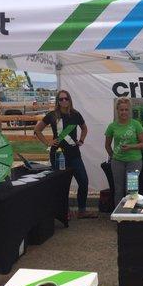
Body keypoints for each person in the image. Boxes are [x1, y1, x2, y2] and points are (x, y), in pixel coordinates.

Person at [34, 90, 94, 218]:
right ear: (57, 101)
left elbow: (84, 128)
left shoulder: (76, 114)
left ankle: (81, 211)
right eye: (60, 99)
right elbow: (37, 130)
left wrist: (81, 140)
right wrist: (48, 143)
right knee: (61, 185)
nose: (63, 101)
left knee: (83, 181)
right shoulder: (52, 115)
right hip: (58, 155)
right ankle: (63, 212)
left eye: (66, 98)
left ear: (70, 99)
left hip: (74, 154)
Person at [105, 97, 143, 204]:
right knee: (118, 189)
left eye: (126, 109)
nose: (124, 112)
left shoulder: (136, 124)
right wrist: (114, 156)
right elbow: (107, 145)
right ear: (117, 111)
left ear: (129, 111)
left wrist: (130, 147)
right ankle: (119, 217)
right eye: (121, 110)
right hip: (117, 162)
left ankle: (131, 215)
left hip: (134, 161)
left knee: (132, 190)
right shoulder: (112, 126)